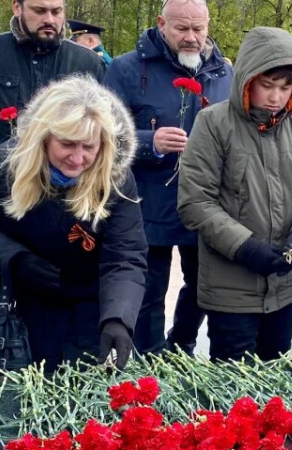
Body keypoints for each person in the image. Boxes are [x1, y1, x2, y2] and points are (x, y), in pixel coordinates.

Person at [0, 76, 148, 372]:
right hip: (22, 303)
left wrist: (118, 318)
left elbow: (125, 256)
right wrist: (14, 258)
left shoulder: (116, 178)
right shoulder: (5, 165)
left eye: (89, 147)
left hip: (90, 303)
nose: (77, 158)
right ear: (44, 136)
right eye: (67, 144)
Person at [0, 0, 105, 322]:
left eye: (57, 11)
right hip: (1, 204)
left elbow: (108, 129)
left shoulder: (86, 63)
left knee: (62, 286)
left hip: (66, 204)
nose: (50, 19)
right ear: (17, 7)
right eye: (40, 11)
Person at [178, 26, 292, 362]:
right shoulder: (213, 123)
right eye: (268, 85)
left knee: (272, 378)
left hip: (285, 284)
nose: (276, 97)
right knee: (233, 386)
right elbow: (195, 202)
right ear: (247, 79)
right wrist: (244, 246)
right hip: (230, 286)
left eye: (285, 87)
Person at [103, 0, 233, 355]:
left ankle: (181, 343)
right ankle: (151, 356)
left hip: (205, 205)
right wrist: (150, 143)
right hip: (147, 203)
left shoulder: (225, 72)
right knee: (148, 290)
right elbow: (101, 135)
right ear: (161, 23)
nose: (192, 37)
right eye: (182, 29)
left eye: (199, 28)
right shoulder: (126, 69)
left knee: (206, 286)